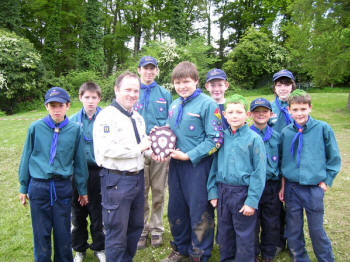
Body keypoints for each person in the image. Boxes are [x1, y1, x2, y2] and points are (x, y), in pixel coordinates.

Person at [160, 61, 223, 262]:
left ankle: (200, 253)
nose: (182, 86)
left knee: (199, 210)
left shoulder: (208, 104)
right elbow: (170, 130)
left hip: (198, 167)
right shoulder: (175, 104)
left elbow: (216, 140)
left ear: (196, 81)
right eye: (177, 82)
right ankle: (181, 248)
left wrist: (189, 155)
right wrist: (158, 135)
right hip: (176, 166)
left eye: (186, 81)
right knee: (176, 208)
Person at [18, 87, 89, 262]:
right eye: (52, 106)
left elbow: (80, 162)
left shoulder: (75, 130)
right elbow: (26, 157)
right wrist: (23, 186)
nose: (57, 110)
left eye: (60, 105)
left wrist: (82, 189)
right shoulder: (35, 128)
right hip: (39, 186)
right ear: (46, 107)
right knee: (41, 233)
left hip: (62, 186)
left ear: (68, 106)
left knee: (63, 232)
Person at [93, 72, 150, 262]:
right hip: (116, 180)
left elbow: (142, 145)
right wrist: (139, 148)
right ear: (117, 90)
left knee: (135, 227)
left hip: (137, 178)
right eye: (128, 89)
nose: (133, 94)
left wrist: (154, 151)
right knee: (117, 231)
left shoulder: (138, 117)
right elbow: (107, 149)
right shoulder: (106, 117)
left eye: (136, 90)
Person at [279, 89, 341, 262]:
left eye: (303, 109)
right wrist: (283, 186)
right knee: (293, 228)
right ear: (289, 110)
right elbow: (283, 162)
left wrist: (326, 182)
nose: (299, 113)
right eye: (295, 109)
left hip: (314, 188)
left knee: (316, 229)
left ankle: (325, 258)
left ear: (310, 108)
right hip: (292, 188)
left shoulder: (322, 129)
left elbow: (334, 158)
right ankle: (300, 257)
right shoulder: (286, 133)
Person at [207, 94, 266, 262]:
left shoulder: (254, 139)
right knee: (225, 231)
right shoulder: (222, 138)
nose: (234, 116)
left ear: (247, 114)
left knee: (244, 232)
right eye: (231, 112)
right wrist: (213, 192)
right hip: (223, 191)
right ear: (224, 114)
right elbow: (214, 167)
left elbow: (259, 172)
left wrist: (251, 201)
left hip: (243, 193)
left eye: (239, 112)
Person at [134, 56, 172, 249]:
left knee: (158, 191)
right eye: (145, 68)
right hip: (137, 152)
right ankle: (141, 229)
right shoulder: (132, 92)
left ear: (157, 71)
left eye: (152, 69)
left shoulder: (164, 94)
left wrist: (161, 132)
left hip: (159, 152)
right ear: (139, 70)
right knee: (140, 191)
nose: (149, 72)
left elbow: (171, 121)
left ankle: (156, 229)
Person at [70, 82, 105, 262]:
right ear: (80, 98)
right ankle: (79, 248)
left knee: (98, 211)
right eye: (86, 97)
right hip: (77, 173)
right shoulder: (73, 120)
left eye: (94, 97)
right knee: (78, 212)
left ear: (99, 98)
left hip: (99, 171)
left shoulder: (106, 118)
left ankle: (99, 247)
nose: (90, 101)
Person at [249, 98, 282, 262]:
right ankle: (253, 252)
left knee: (271, 219)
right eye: (257, 111)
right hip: (252, 186)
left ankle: (268, 252)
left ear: (271, 114)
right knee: (252, 220)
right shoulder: (246, 136)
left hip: (271, 185)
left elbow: (282, 162)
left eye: (264, 111)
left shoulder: (277, 137)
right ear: (250, 114)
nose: (261, 114)